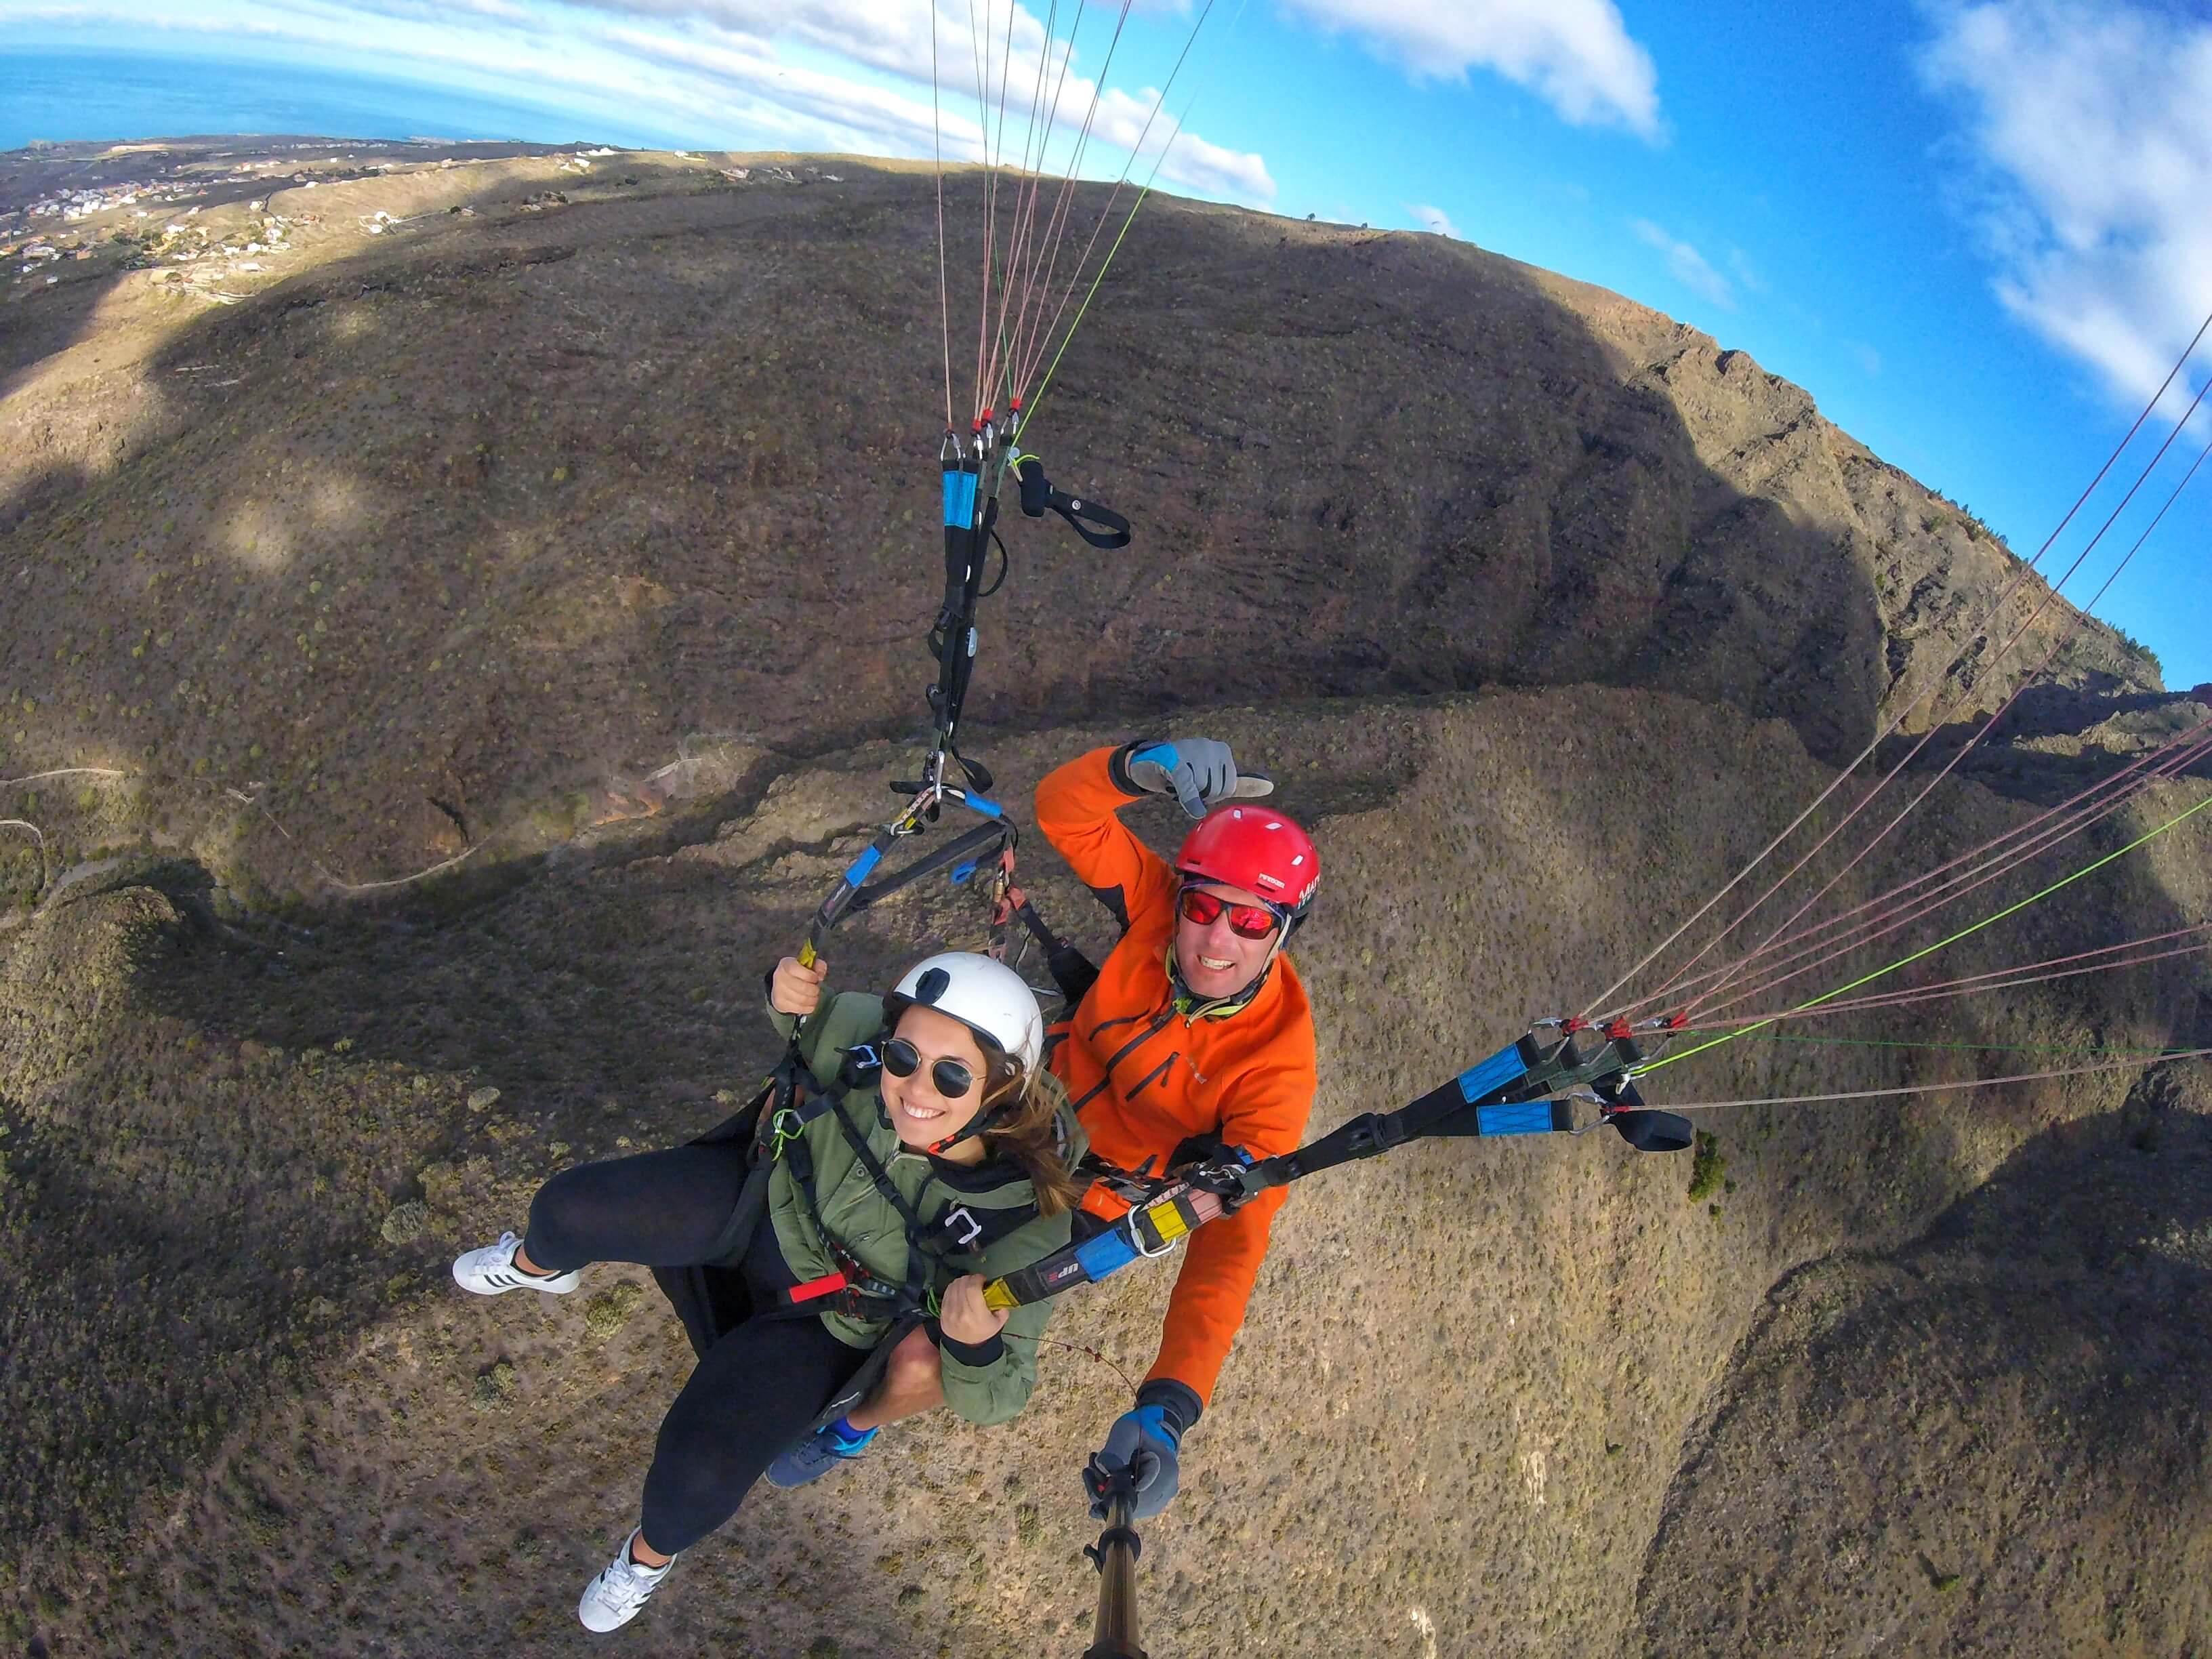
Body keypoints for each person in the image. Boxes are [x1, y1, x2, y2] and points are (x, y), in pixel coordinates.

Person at [771, 737, 1318, 1532]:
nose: (1215, 940)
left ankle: (853, 1426)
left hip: (1080, 1200)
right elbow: (1067, 810)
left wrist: (1169, 1405)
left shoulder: (1275, 1066)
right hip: (1021, 1102)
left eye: (1248, 921)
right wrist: (1139, 765)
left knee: (944, 1341)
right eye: (1203, 907)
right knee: (858, 1139)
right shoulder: (1154, 909)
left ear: (1282, 932)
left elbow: (1232, 1247)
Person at [450, 951, 1084, 1633]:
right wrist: (783, 990)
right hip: (762, 1203)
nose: (915, 1087)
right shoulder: (872, 1040)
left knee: (695, 1479)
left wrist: (976, 1347)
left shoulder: (1021, 1222)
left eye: (952, 1075)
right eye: (904, 1057)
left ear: (1001, 1087)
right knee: (566, 1212)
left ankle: (645, 1559)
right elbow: (813, 1013)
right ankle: (539, 1265)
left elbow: (1003, 1392)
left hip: (828, 1320)